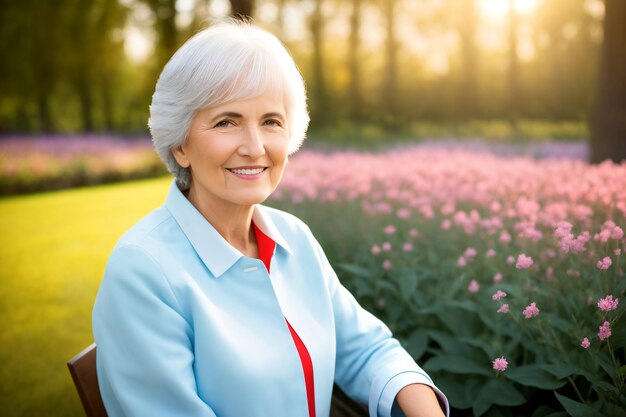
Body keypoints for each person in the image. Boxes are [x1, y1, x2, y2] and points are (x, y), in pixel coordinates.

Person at [92, 20, 448, 417]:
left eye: (271, 121)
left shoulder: (294, 238)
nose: (254, 147)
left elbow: (367, 350)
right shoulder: (142, 271)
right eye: (227, 122)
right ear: (179, 145)